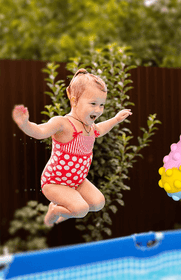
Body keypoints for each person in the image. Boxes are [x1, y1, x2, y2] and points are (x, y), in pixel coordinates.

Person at [12, 69, 132, 226]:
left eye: (101, 105)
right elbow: (40, 132)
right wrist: (25, 124)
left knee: (98, 203)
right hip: (54, 182)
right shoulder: (63, 123)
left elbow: (101, 129)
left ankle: (62, 213)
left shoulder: (90, 127)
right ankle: (54, 211)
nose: (98, 110)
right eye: (93, 104)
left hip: (77, 180)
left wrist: (116, 119)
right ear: (75, 100)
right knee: (81, 209)